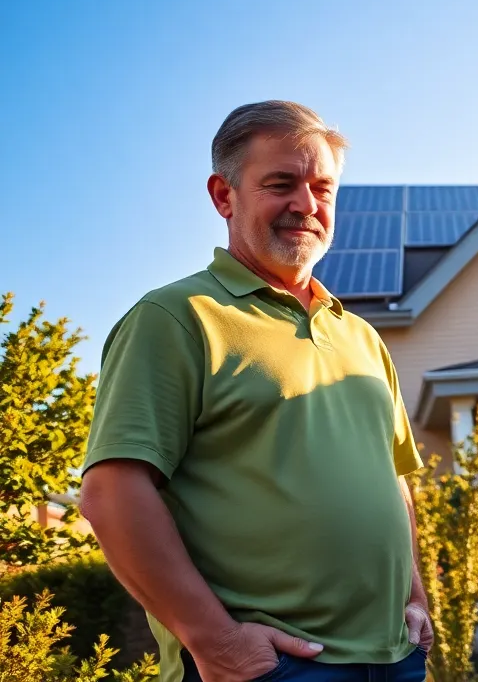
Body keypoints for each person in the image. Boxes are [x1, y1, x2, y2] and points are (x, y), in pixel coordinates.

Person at [79, 101, 430, 682]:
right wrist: (215, 641)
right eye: (280, 184)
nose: (307, 205)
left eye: (323, 187)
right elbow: (112, 494)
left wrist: (416, 601)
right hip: (273, 666)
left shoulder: (362, 336)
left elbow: (392, 482)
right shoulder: (176, 317)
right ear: (224, 195)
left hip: (393, 657)